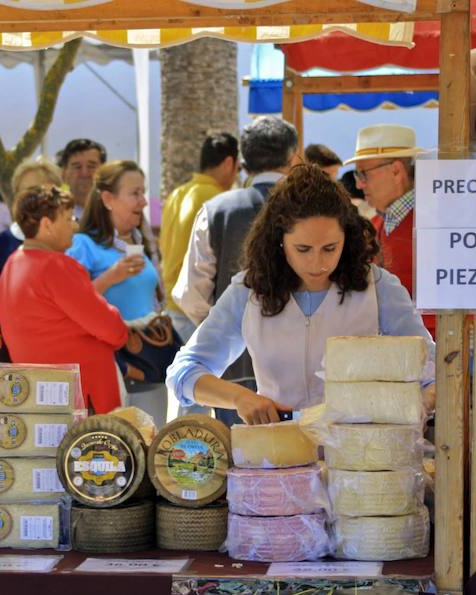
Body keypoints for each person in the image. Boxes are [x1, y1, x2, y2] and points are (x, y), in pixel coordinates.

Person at [167, 165, 435, 424]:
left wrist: (416, 406)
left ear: (348, 237)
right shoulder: (249, 290)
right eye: (303, 249)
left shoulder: (378, 287)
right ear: (280, 241)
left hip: (361, 460)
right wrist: (239, 397)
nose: (317, 263)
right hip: (277, 455)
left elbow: (432, 369)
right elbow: (184, 371)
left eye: (330, 248)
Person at [173, 116, 299, 426]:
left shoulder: (218, 210)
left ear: (243, 160)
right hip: (301, 375)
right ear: (293, 155)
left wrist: (224, 328)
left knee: (239, 464)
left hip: (232, 377)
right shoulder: (311, 208)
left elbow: (191, 293)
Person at [0, 185, 129, 414]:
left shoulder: (13, 263)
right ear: (46, 224)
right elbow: (113, 330)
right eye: (68, 219)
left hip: (39, 395)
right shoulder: (57, 266)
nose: (75, 226)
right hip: (82, 398)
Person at [66, 160, 168, 424]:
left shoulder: (140, 242)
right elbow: (71, 304)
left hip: (149, 361)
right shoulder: (82, 245)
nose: (143, 202)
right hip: (109, 366)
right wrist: (111, 277)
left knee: (149, 443)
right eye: (134, 193)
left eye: (143, 193)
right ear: (108, 199)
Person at [344, 124, 433, 337]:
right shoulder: (375, 225)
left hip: (433, 356)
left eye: (363, 174)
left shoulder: (433, 224)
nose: (359, 184)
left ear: (396, 170)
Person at [160, 132, 239, 342]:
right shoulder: (219, 201)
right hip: (199, 312)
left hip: (172, 306)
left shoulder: (176, 194)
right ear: (229, 163)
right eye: (238, 168)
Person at [0, 158, 62, 312]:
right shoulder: (5, 239)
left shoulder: (66, 236)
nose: (29, 197)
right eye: (23, 191)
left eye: (36, 190)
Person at [56, 138, 107, 219]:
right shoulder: (54, 217)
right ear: (63, 173)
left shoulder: (117, 216)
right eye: (77, 167)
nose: (84, 173)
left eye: (91, 166)